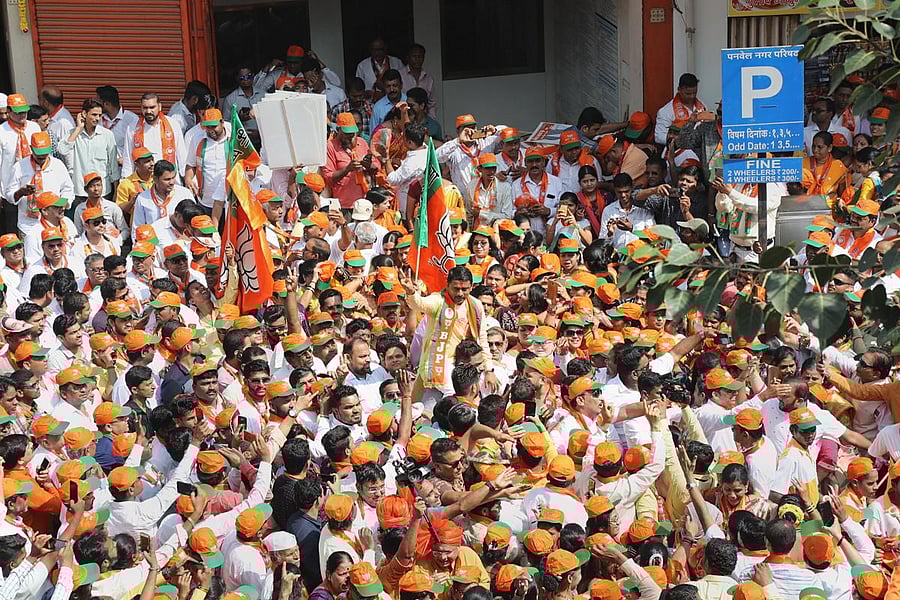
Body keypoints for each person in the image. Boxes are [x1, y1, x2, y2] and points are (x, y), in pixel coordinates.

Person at [58, 97, 120, 202]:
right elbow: (62, 150)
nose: (97, 118)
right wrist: (78, 128)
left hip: (103, 191)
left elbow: (113, 165)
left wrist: (116, 192)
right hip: (81, 191)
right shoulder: (74, 133)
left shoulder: (107, 135)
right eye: (94, 115)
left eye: (100, 115)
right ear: (84, 114)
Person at [121, 92, 187, 178]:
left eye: (152, 107)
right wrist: (125, 179)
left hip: (169, 179)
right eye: (145, 108)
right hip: (143, 182)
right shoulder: (132, 128)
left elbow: (181, 155)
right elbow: (128, 158)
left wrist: (187, 177)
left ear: (159, 106)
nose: (148, 111)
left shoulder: (173, 125)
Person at [655, 73, 707, 145]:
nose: (692, 96)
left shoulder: (702, 106)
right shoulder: (666, 111)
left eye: (694, 93)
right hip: (678, 151)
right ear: (679, 89)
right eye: (688, 94)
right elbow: (658, 137)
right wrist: (679, 140)